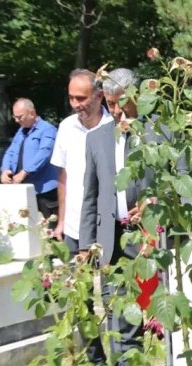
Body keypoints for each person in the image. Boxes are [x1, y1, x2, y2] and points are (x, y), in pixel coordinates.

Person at [79, 68, 154, 366]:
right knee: (117, 312)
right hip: (112, 239)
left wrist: (152, 201)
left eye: (121, 102)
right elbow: (90, 195)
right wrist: (86, 244)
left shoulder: (157, 132)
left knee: (146, 309)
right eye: (110, 103)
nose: (116, 110)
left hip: (147, 237)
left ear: (136, 96)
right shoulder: (96, 139)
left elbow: (179, 181)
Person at [51, 69, 113, 250]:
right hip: (73, 228)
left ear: (99, 95)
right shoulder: (66, 127)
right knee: (75, 278)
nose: (75, 104)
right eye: (71, 98)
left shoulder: (114, 128)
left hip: (105, 229)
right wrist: (61, 220)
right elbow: (63, 177)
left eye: (81, 98)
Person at [0, 98, 59, 220]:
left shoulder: (47, 129)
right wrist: (5, 169)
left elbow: (44, 153)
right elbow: (10, 152)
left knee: (50, 229)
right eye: (14, 117)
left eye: (20, 117)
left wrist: (24, 172)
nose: (17, 120)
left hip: (45, 190)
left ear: (32, 113)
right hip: (23, 187)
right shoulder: (21, 132)